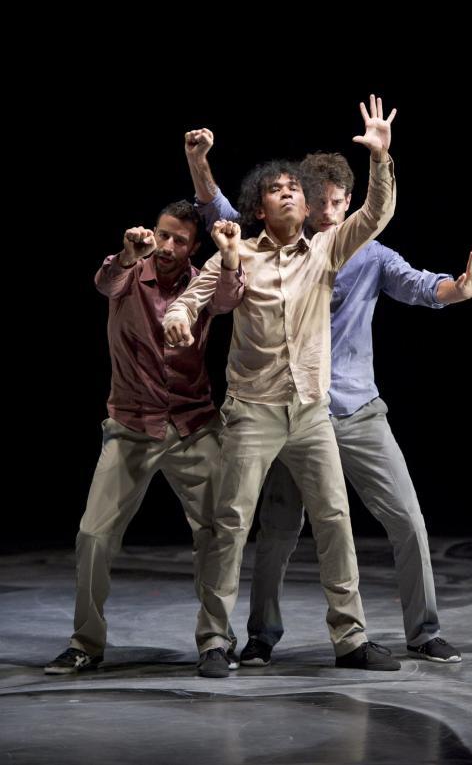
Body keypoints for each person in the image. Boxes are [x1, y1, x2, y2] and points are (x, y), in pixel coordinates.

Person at [185, 129, 472, 668]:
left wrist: (456, 290)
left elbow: (417, 280)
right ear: (303, 203)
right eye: (318, 201)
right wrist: (199, 162)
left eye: (336, 202)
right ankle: (258, 636)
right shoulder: (274, 245)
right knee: (274, 530)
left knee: (396, 519)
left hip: (351, 408)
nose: (327, 212)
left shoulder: (357, 249)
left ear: (345, 202)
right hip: (283, 407)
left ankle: (416, 632)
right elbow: (223, 214)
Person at [164, 95, 401, 678]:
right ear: (259, 206)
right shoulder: (237, 254)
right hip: (253, 412)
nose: (289, 192)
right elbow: (191, 301)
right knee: (231, 524)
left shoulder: (326, 249)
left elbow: (375, 214)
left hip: (311, 412)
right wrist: (177, 319)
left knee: (335, 520)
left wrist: (379, 158)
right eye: (277, 189)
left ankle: (350, 638)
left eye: (295, 187)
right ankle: (213, 641)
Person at [45, 201, 243, 674]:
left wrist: (230, 255)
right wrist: (127, 254)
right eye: (163, 235)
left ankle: (215, 639)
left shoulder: (202, 281)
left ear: (194, 247)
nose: (169, 246)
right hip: (132, 426)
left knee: (218, 533)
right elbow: (105, 281)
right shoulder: (130, 272)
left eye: (180, 240)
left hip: (193, 425)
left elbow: (229, 297)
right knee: (93, 535)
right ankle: (85, 643)